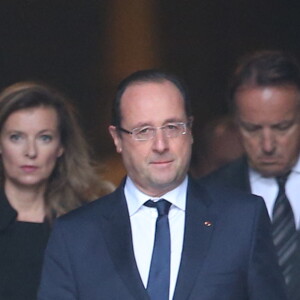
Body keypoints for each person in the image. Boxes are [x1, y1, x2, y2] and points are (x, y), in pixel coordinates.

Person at [38, 70, 287, 300]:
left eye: (172, 127)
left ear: (189, 130)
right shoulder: (75, 235)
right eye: (143, 130)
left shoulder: (242, 218)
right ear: (117, 139)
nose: (160, 145)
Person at [200, 50, 300, 299]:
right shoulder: (205, 199)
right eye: (252, 128)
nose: (267, 144)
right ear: (235, 122)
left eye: (282, 127)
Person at [0, 81, 112, 300]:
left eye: (44, 138)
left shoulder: (85, 223)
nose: (30, 152)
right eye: (16, 137)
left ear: (61, 146)